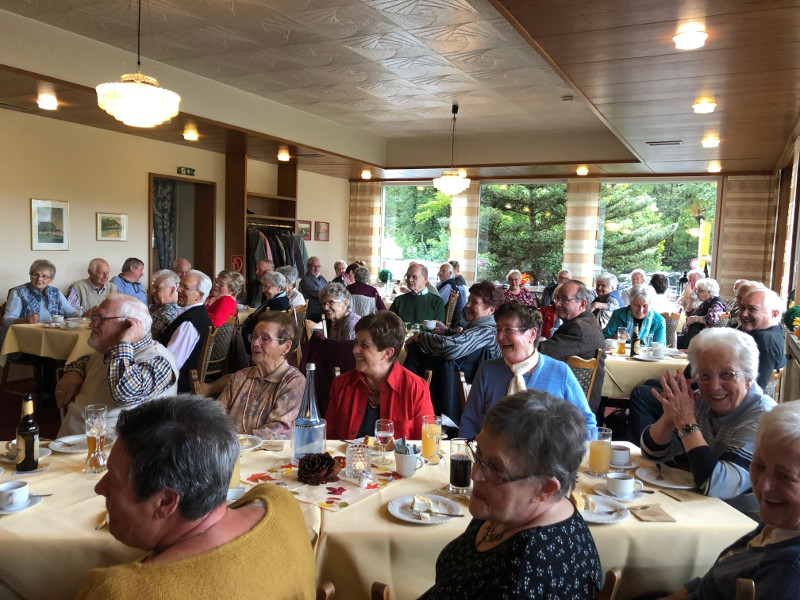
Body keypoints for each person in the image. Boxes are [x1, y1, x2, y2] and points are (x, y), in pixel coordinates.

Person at [76, 396, 317, 600]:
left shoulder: (120, 592)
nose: (100, 488)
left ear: (165, 502)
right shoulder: (280, 501)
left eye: (114, 482)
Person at [419, 390, 602, 600]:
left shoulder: (525, 577)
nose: (475, 473)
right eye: (478, 453)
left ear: (545, 489)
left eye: (496, 468)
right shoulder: (514, 510)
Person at [655, 400, 800, 600]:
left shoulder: (788, 570)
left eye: (784, 476)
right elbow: (716, 580)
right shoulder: (778, 525)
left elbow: (714, 482)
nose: (763, 485)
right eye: (758, 464)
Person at [638, 328, 776, 515]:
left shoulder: (764, 419)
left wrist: (685, 421)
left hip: (746, 524)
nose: (714, 386)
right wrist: (671, 415)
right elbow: (651, 452)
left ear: (749, 378)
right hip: (705, 508)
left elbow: (716, 484)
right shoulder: (701, 403)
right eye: (704, 375)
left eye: (727, 374)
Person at [460, 301, 596, 438]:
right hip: (496, 457)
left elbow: (587, 422)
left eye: (508, 329)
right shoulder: (488, 371)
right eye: (498, 329)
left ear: (532, 334)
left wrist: (577, 456)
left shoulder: (559, 371)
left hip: (547, 456)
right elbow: (470, 424)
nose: (500, 337)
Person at [55, 294, 177, 436]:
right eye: (94, 317)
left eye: (100, 319)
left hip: (113, 452)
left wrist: (124, 342)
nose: (91, 324)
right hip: (75, 445)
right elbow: (86, 361)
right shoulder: (108, 350)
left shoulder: (159, 360)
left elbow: (124, 394)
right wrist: (74, 372)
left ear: (129, 325)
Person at [403, 281, 504, 420]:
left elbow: (449, 348)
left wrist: (419, 337)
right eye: (468, 300)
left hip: (476, 397)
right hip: (466, 389)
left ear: (491, 310)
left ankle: (409, 405)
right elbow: (465, 341)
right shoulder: (479, 327)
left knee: (419, 355)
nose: (467, 305)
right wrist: (447, 332)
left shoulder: (486, 331)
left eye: (474, 302)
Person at [326, 311, 434, 440]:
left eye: (364, 345)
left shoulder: (415, 388)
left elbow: (426, 445)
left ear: (387, 353)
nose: (354, 350)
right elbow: (329, 440)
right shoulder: (341, 385)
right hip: (349, 459)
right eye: (356, 342)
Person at [219, 312, 304, 440]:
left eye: (265, 338)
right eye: (254, 337)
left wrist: (238, 442)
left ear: (286, 347)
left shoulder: (293, 381)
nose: (255, 343)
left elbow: (279, 430)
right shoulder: (240, 376)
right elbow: (216, 416)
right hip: (228, 451)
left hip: (267, 455)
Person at [539, 280, 606, 412]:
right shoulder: (589, 321)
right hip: (576, 399)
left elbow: (541, 352)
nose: (557, 304)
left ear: (582, 304)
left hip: (571, 406)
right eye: (556, 299)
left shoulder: (578, 328)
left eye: (564, 299)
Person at [158, 270, 213, 393]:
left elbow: (171, 363)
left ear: (199, 296)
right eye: (180, 285)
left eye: (185, 288)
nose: (178, 290)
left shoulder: (189, 324)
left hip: (177, 387)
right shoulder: (198, 313)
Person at [2, 259, 76, 344]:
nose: (39, 279)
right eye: (35, 274)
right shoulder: (18, 292)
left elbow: (70, 312)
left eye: (44, 276)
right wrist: (26, 320)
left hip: (56, 337)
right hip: (27, 339)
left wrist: (84, 314)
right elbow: (6, 320)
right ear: (30, 275)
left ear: (51, 279)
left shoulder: (56, 292)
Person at [737, 286, 786, 389]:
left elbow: (754, 388)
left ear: (774, 313)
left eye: (752, 309)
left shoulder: (766, 340)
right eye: (742, 307)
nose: (744, 314)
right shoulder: (776, 329)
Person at [240, 271, 291, 353]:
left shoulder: (279, 303)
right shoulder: (277, 299)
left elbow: (269, 327)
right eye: (263, 287)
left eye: (267, 287)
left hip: (258, 340)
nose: (263, 290)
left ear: (279, 288)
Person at [677, 278, 725, 349]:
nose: (696, 293)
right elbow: (688, 314)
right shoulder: (706, 302)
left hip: (697, 340)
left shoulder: (717, 303)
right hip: (690, 336)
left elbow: (711, 319)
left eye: (699, 291)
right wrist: (692, 301)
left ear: (708, 292)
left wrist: (696, 319)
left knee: (671, 339)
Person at [148, 269, 180, 339]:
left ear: (172, 290)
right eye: (153, 287)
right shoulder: (157, 306)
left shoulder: (166, 316)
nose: (153, 291)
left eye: (157, 288)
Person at [437, 262, 466, 327]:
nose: (440, 273)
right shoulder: (444, 283)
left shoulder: (448, 285)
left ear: (450, 273)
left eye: (443, 271)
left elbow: (438, 302)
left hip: (446, 321)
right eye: (440, 271)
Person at [299, 256, 327, 322]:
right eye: (314, 266)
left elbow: (329, 288)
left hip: (324, 309)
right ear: (308, 266)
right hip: (315, 313)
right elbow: (321, 293)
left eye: (319, 266)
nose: (316, 269)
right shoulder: (306, 280)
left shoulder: (321, 277)